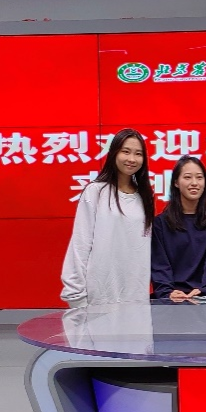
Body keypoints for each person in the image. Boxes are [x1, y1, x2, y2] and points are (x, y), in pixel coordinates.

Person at [60, 128, 154, 307]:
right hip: (99, 296)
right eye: (126, 151)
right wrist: (76, 294)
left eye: (138, 154)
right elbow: (80, 244)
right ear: (114, 153)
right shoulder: (96, 191)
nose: (132, 159)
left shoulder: (144, 196)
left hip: (136, 297)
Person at [151, 155, 206, 301]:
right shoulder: (160, 223)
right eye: (187, 177)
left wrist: (205, 290)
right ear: (176, 182)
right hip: (173, 298)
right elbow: (160, 265)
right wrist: (167, 292)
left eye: (199, 177)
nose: (194, 183)